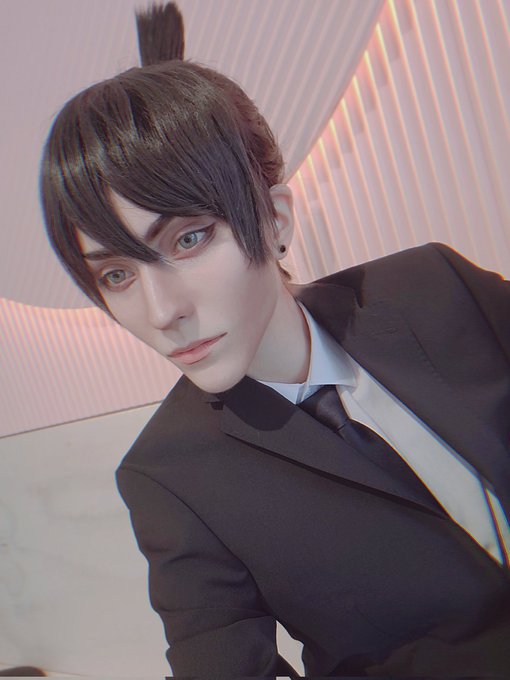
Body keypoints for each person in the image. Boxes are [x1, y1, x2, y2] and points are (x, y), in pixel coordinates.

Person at [40, 3, 510, 676]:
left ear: (277, 218)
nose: (162, 312)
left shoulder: (436, 288)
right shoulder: (170, 477)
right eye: (116, 274)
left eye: (189, 239)